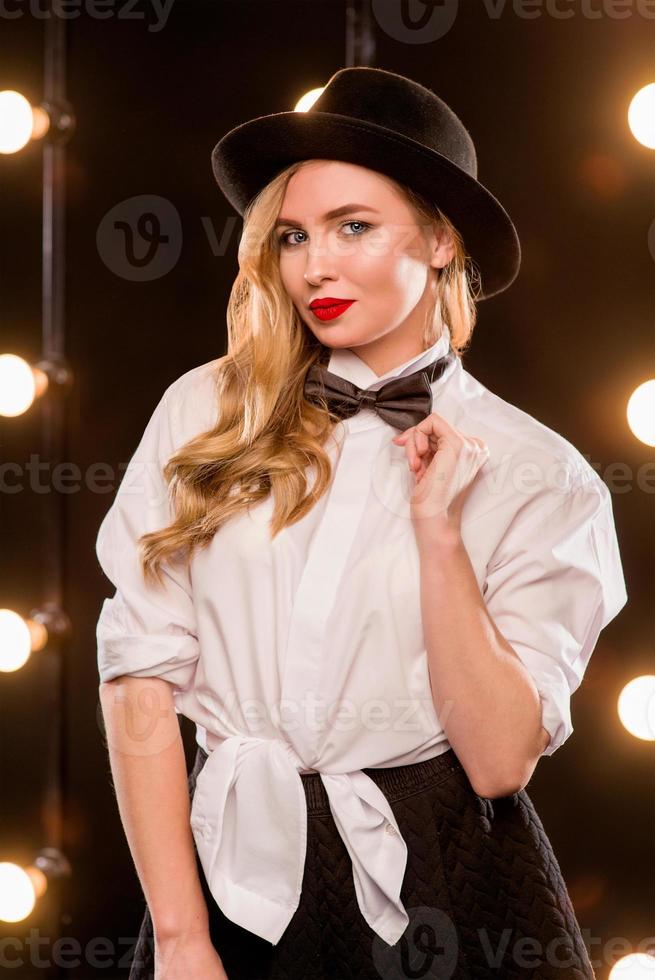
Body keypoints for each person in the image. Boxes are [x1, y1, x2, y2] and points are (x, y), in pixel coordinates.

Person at [96, 67, 628, 980]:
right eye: (294, 236)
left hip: (452, 876)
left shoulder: (545, 475)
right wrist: (180, 937)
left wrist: (437, 534)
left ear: (439, 237)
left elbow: (499, 761)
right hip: (223, 877)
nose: (316, 266)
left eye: (354, 227)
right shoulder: (203, 412)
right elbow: (138, 673)